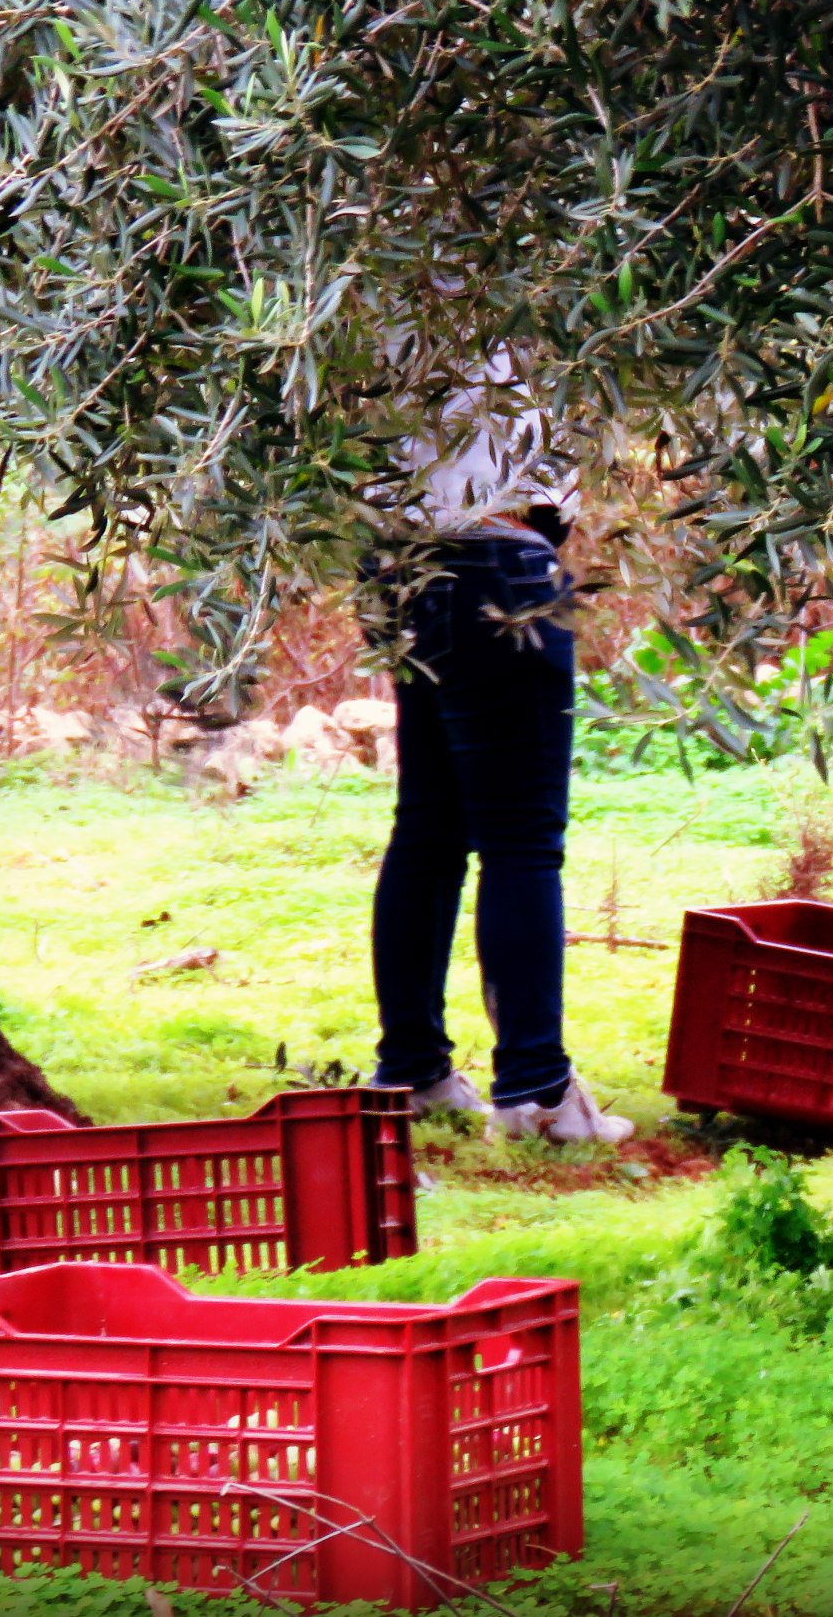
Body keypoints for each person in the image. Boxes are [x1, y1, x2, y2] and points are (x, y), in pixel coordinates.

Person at [365, 358, 631, 1145]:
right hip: (497, 557)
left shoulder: (363, 257)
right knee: (520, 841)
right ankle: (538, 1095)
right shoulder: (517, 247)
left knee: (430, 829)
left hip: (400, 559)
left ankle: (412, 1071)